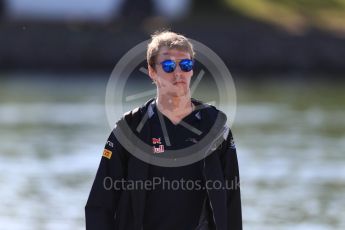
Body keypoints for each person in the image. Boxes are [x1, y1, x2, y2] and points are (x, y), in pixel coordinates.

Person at [85, 31, 242, 230]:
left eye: (185, 65)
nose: (178, 73)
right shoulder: (130, 128)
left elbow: (231, 203)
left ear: (192, 70)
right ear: (152, 71)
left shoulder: (216, 128)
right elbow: (100, 204)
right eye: (168, 66)